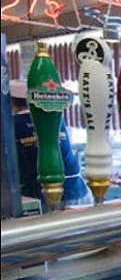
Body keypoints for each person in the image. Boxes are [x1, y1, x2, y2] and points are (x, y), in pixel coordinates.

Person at [10, 79, 92, 208]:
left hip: (40, 196)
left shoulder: (11, 126)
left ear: (11, 102)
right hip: (77, 191)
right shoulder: (56, 117)